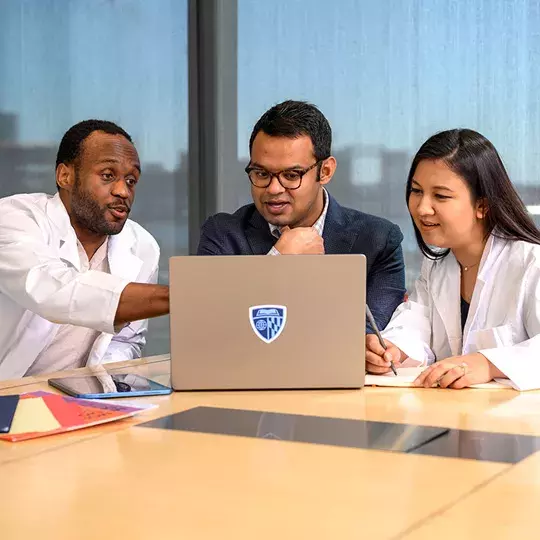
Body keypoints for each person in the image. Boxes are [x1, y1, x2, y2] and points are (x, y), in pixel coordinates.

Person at [197, 100, 406, 331]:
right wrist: (277, 261)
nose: (274, 189)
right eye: (261, 173)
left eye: (291, 174)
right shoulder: (223, 234)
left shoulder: (379, 240)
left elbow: (371, 334)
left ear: (325, 171)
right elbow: (208, 326)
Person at [366, 128, 540, 390]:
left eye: (441, 196)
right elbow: (415, 325)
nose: (423, 208)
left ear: (482, 205)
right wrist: (392, 350)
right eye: (416, 191)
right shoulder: (435, 266)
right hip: (449, 420)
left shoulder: (530, 262)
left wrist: (488, 364)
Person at [0, 119, 169, 379]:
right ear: (65, 176)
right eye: (108, 175)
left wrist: (102, 387)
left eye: (131, 180)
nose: (123, 191)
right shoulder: (15, 218)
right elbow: (52, 289)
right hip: (10, 394)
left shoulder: (143, 246)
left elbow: (125, 342)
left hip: (83, 402)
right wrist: (177, 297)